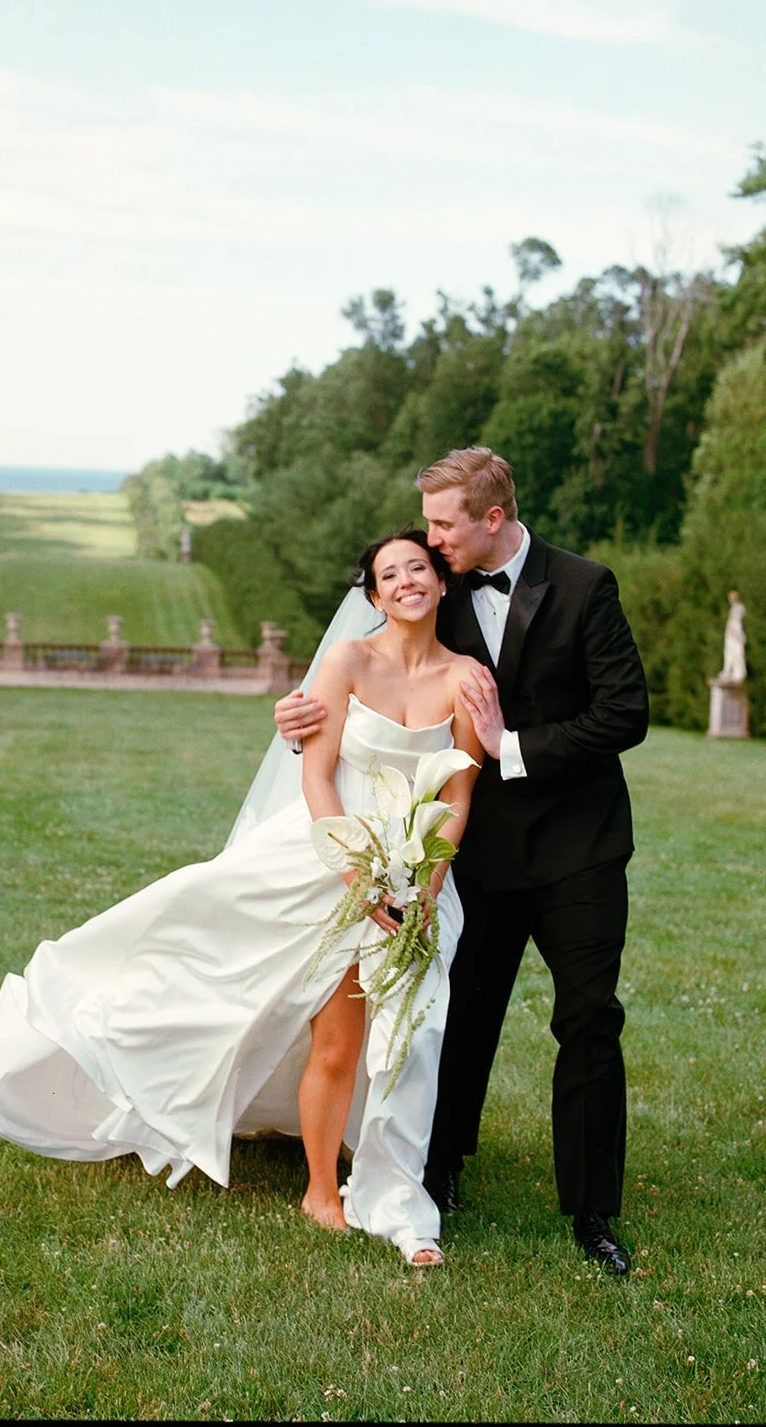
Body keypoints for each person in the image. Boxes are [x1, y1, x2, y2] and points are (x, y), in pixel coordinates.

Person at [0, 531, 483, 1267]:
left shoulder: (465, 677)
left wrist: (426, 883)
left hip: (421, 876)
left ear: (440, 583)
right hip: (333, 862)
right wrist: (358, 876)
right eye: (389, 574)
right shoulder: (346, 662)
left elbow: (459, 795)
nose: (407, 581)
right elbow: (317, 778)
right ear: (372, 596)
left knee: (408, 1044)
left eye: (419, 568)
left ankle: (400, 1200)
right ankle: (321, 1190)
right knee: (337, 1039)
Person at [276, 447, 649, 1276]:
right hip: (462, 853)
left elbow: (625, 714)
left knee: (588, 1019)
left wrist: (511, 746)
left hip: (577, 848)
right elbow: (376, 653)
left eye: (444, 525)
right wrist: (299, 710)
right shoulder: (434, 588)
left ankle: (592, 1211)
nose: (432, 541)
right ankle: (437, 1172)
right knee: (459, 1019)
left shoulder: (586, 587)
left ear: (491, 519)